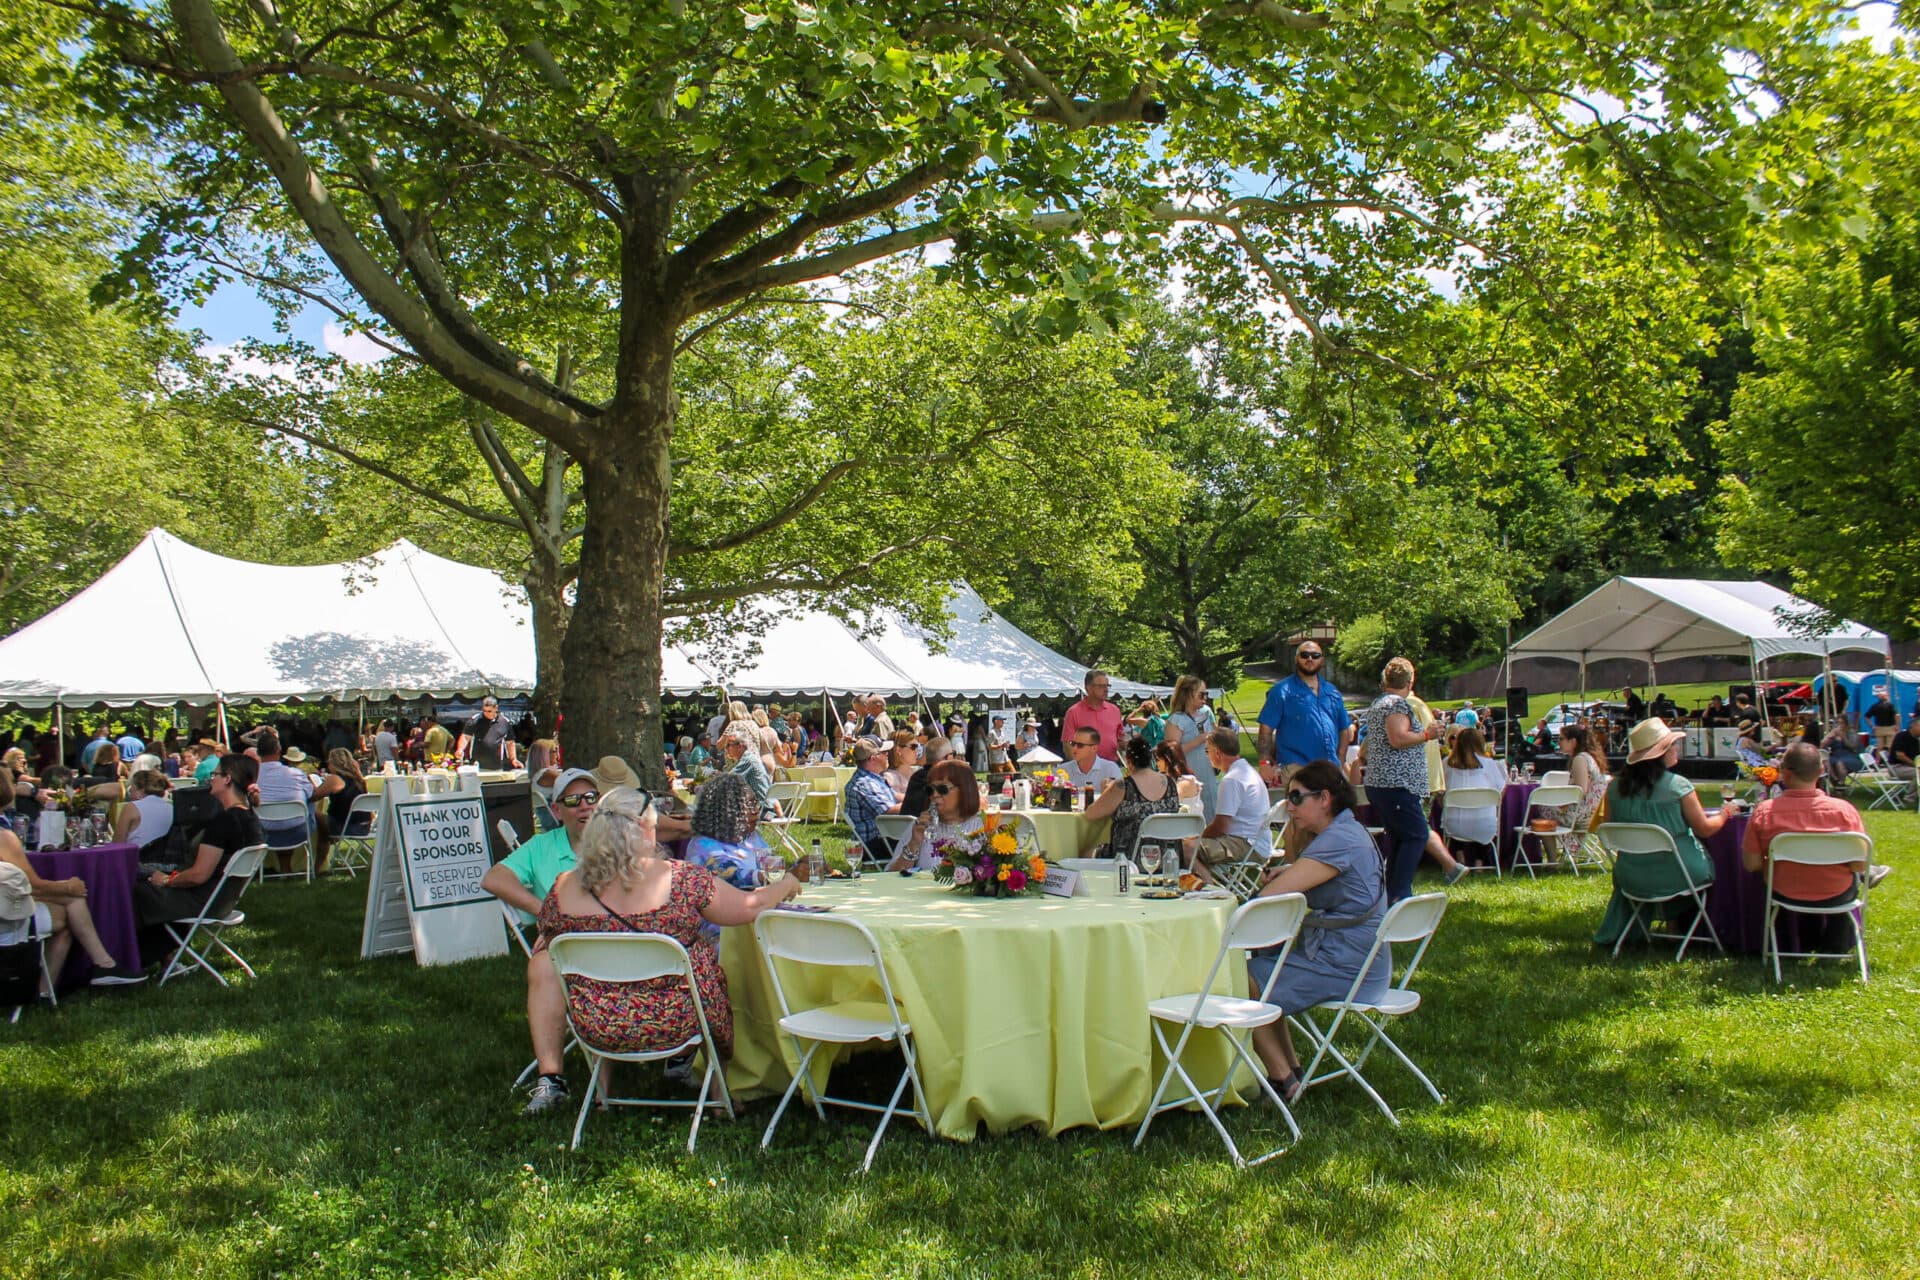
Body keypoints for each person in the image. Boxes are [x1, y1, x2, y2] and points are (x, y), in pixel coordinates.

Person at [531, 787, 806, 1115]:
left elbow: (546, 934)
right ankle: (719, 1095)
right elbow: (749, 908)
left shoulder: (564, 887)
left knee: (549, 961)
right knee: (707, 963)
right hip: (678, 1020)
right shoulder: (681, 880)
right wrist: (788, 882)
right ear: (645, 831)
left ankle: (600, 1092)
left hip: (598, 1021)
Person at [1244, 760, 1388, 1100]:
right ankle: (1291, 1069)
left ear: (1324, 798)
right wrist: (1292, 870)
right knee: (1266, 967)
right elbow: (1310, 875)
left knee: (1240, 979)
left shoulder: (1337, 839)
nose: (1289, 805)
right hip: (1364, 960)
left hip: (1346, 965)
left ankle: (1282, 1080)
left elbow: (1265, 899)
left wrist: (1285, 875)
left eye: (1297, 797)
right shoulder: (1347, 830)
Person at [480, 767, 604, 1114]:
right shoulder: (542, 847)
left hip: (616, 939)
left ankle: (676, 1057)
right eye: (573, 801)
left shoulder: (617, 842)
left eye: (591, 798)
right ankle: (552, 1079)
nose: (584, 807)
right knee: (543, 968)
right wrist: (547, 912)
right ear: (556, 811)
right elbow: (494, 878)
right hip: (566, 947)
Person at [1592, 718, 1742, 949]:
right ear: (1661, 753)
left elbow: (1611, 827)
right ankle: (1715, 928)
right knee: (1720, 862)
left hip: (1630, 875)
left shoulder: (1614, 788)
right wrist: (1725, 813)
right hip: (1679, 874)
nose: (1676, 749)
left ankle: (1673, 927)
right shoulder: (1677, 786)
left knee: (1669, 856)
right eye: (1672, 745)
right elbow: (1705, 829)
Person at [1741, 742, 1871, 955]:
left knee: (1789, 876)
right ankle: (1834, 946)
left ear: (1785, 773)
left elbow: (1751, 864)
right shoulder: (1845, 811)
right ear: (1821, 771)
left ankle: (1801, 940)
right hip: (1836, 891)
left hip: (1784, 891)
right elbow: (1858, 864)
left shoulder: (1765, 812)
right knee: (1849, 881)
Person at [134, 754, 263, 948]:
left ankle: (128, 962)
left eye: (215, 774)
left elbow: (198, 875)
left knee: (131, 887)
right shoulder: (251, 819)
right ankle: (164, 957)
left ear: (227, 779)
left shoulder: (224, 822)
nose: (211, 779)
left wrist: (168, 880)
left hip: (200, 901)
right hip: (223, 901)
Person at [1353, 658, 1452, 901]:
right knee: (1417, 835)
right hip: (1396, 785)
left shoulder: (1381, 703)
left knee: (1399, 838)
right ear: (1410, 681)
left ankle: (1390, 895)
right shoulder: (1396, 705)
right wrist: (1428, 734)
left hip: (1385, 784)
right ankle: (1400, 893)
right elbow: (1397, 738)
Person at [2, 829, 147, 987]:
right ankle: (100, 966)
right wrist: (68, 887)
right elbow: (31, 886)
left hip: (8, 905)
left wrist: (65, 888)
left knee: (71, 904)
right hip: (8, 922)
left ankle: (103, 965)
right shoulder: (4, 838)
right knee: (71, 907)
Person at [1257, 642, 1354, 793]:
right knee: (1300, 815)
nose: (1310, 659)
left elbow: (1344, 729)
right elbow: (1266, 728)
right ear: (1296, 659)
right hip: (1296, 769)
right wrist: (1264, 762)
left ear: (1321, 660)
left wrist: (1341, 758)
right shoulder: (1281, 691)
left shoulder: (1332, 692)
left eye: (1315, 655)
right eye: (1305, 655)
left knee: (1330, 815)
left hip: (1329, 769)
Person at [1183, 727, 1272, 882]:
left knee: (1186, 848)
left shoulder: (1232, 779)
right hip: (1257, 841)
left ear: (1217, 752)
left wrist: (1196, 837)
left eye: (1207, 751)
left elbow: (1220, 827)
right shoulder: (1248, 771)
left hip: (1247, 844)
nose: (1207, 756)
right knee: (1193, 844)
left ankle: (1208, 891)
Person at [1085, 736, 1179, 865]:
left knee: (1086, 850)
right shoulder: (1170, 783)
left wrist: (1105, 792)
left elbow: (1091, 814)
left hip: (1128, 858)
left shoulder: (1123, 786)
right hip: (1166, 857)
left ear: (1128, 761)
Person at [684, 770, 772, 903]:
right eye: (748, 805)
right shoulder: (703, 844)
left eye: (755, 803)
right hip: (720, 918)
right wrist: (766, 877)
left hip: (754, 907)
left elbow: (771, 865)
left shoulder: (751, 837)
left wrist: (798, 868)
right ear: (726, 811)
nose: (755, 811)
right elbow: (728, 875)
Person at [890, 758, 987, 871]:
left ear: (965, 790)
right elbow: (892, 876)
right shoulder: (919, 826)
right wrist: (914, 843)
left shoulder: (983, 826)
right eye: (930, 790)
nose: (934, 795)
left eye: (942, 789)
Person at [1440, 728, 1508, 868]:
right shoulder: (1489, 764)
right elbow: (1500, 793)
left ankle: (1459, 856)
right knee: (1481, 815)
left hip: (1454, 825)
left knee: (1457, 813)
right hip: (1484, 824)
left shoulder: (1447, 763)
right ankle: (1479, 862)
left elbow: (1440, 792)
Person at [251, 729, 315, 876]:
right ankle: (309, 867)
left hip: (264, 831)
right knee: (308, 807)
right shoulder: (296, 773)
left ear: (258, 753)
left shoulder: (252, 776)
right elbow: (311, 794)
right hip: (298, 830)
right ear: (279, 750)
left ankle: (275, 868)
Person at [1163, 675, 1220, 820]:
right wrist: (1196, 741)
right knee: (1193, 816)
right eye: (1201, 694)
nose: (1205, 698)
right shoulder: (1176, 720)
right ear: (1188, 694)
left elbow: (1216, 736)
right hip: (1188, 778)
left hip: (1209, 774)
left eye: (1206, 694)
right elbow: (1171, 754)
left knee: (1212, 812)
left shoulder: (1206, 713)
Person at [843, 737, 903, 862]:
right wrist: (918, 803)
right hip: (876, 844)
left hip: (885, 838)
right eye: (884, 752)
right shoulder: (864, 783)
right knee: (921, 837)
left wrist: (921, 796)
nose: (888, 755)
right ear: (872, 758)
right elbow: (888, 811)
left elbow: (895, 796)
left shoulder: (873, 778)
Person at [311, 748, 367, 870]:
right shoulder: (360, 779)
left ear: (334, 763)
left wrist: (310, 781)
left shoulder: (334, 779)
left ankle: (317, 867)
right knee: (324, 830)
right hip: (364, 827)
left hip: (343, 827)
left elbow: (314, 796)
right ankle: (320, 866)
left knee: (314, 815)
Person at [1062, 670, 1124, 764]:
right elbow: (1067, 743)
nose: (1106, 689)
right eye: (1101, 686)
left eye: (1107, 685)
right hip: (1085, 768)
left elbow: (1120, 738)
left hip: (1112, 766)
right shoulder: (1074, 712)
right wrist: (1078, 766)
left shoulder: (1115, 710)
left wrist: (1124, 744)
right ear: (1088, 688)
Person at [1560, 723, 1611, 835]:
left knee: (1539, 810)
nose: (1559, 742)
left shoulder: (1580, 759)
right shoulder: (1590, 757)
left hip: (1582, 815)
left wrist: (1559, 800)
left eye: (1561, 738)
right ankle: (1570, 849)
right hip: (1593, 812)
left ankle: (1551, 852)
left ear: (1573, 741)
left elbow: (1580, 791)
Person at [111, 769, 173, 854]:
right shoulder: (172, 808)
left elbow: (117, 845)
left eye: (132, 787)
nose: (130, 790)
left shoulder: (131, 808)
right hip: (168, 863)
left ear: (140, 791)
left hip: (138, 861)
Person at [719, 725, 773, 815]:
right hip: (766, 807)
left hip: (762, 810)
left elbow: (727, 780)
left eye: (729, 745)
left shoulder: (748, 760)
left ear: (740, 746)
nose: (726, 748)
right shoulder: (749, 758)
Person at [458, 696, 519, 770]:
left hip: (497, 765)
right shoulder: (474, 720)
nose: (486, 713)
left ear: (496, 708)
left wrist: (513, 759)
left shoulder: (504, 722)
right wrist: (460, 749)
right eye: (484, 711)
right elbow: (465, 737)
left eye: (489, 711)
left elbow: (510, 742)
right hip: (477, 764)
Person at [901, 734, 954, 818]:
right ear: (948, 757)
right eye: (953, 753)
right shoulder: (942, 780)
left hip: (906, 828)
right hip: (928, 827)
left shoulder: (916, 777)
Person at [1062, 728, 1122, 794]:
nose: (1074, 748)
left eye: (1080, 745)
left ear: (1094, 748)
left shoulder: (1111, 769)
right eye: (1073, 743)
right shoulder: (1062, 770)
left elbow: (1119, 796)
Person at [883, 736, 919, 802]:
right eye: (913, 747)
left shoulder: (918, 771)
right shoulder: (890, 777)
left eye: (918, 746)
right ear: (899, 750)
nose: (917, 750)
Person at [1865, 689, 1899, 755]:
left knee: (1879, 747)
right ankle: (1890, 761)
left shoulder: (1874, 706)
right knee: (1890, 746)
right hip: (1890, 728)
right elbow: (1897, 715)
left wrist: (1872, 726)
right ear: (1885, 697)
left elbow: (1867, 717)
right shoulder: (1890, 705)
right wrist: (1897, 725)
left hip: (1879, 728)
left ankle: (1877, 761)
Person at [1889, 716, 1918, 782]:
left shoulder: (1917, 739)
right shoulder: (1902, 736)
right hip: (1898, 767)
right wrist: (1916, 765)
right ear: (1913, 726)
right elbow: (1900, 756)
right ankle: (1913, 793)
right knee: (1918, 773)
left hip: (1911, 767)